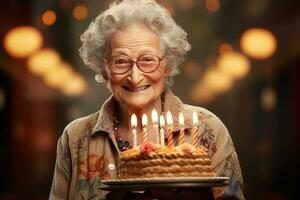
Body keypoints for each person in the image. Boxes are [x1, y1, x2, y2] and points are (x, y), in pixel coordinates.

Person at [49, 0, 245, 199]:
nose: (135, 77)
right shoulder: (75, 137)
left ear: (167, 65)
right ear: (104, 69)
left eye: (148, 60)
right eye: (120, 62)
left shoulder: (208, 128)